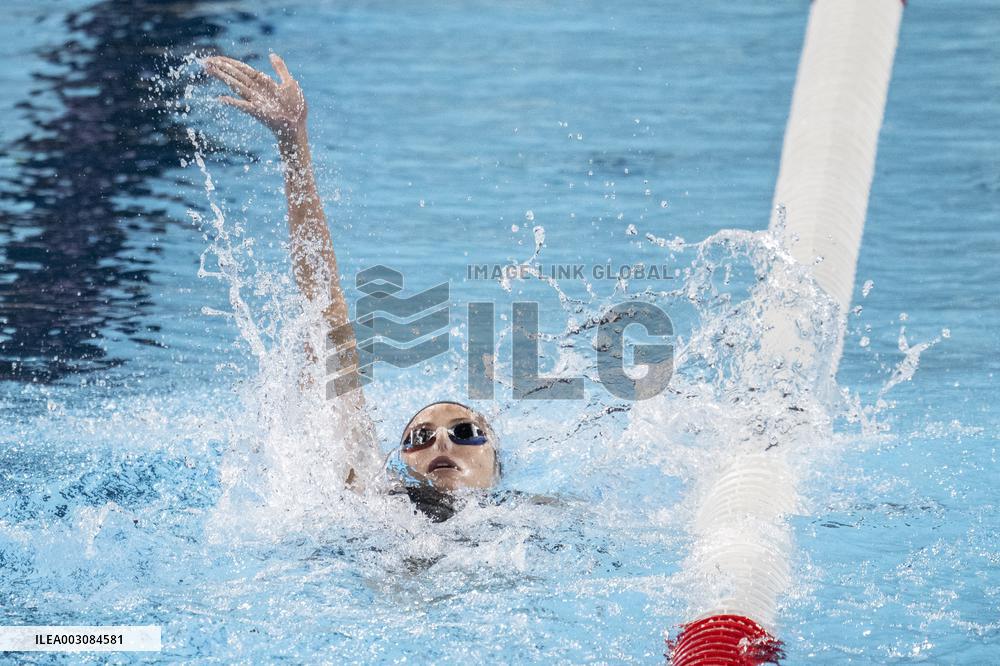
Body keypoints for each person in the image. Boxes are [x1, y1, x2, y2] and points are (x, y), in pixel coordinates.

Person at [202, 54, 501, 499]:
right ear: (395, 461)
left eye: (465, 432)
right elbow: (326, 313)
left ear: (498, 464)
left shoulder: (540, 517)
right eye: (418, 438)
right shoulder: (375, 496)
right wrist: (292, 141)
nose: (440, 441)